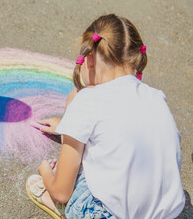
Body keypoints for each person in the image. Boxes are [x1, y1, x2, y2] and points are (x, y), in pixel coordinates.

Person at [26, 14, 185, 218]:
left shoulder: (86, 100)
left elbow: (61, 191)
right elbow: (125, 128)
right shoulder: (156, 96)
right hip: (170, 213)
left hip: (110, 215)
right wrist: (67, 128)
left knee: (75, 98)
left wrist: (46, 172)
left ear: (90, 58)